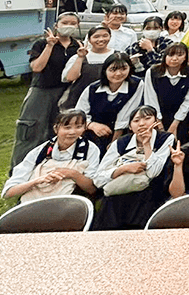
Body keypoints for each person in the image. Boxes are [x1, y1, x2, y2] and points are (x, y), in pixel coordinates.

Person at [11, 12, 81, 170]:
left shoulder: (77, 46)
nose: (68, 26)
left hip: (65, 93)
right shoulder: (42, 43)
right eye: (65, 22)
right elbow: (37, 67)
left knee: (57, 131)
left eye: (73, 23)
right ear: (57, 25)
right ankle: (19, 170)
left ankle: (45, 167)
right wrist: (50, 45)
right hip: (41, 91)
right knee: (31, 131)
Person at [92, 105, 175, 230]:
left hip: (148, 198)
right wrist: (123, 169)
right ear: (130, 126)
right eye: (136, 121)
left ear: (156, 122)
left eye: (147, 118)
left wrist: (147, 145)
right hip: (117, 198)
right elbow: (98, 179)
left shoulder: (165, 139)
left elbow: (153, 173)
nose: (141, 124)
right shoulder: (120, 143)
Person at [3, 109, 100, 201]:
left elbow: (92, 189)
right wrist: (37, 181)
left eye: (78, 127)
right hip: (33, 202)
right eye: (67, 127)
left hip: (70, 203)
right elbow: (8, 192)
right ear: (56, 128)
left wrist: (71, 174)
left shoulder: (90, 150)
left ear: (84, 128)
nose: (72, 132)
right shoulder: (40, 152)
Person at [76, 52, 145, 155]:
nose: (118, 73)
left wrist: (114, 143)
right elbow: (79, 114)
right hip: (93, 132)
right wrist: (92, 125)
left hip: (122, 133)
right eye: (113, 69)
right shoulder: (92, 89)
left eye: (123, 69)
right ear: (105, 71)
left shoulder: (136, 85)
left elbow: (125, 115)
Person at [143, 42, 189, 142]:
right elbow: (150, 98)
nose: (174, 58)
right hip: (157, 115)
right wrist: (159, 124)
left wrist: (174, 125)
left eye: (180, 55)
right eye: (170, 55)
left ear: (186, 57)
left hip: (182, 116)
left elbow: (188, 101)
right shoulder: (153, 72)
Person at [60, 25, 114, 111]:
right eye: (96, 37)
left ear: (110, 37)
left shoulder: (116, 56)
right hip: (78, 101)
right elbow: (70, 78)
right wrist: (80, 57)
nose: (101, 39)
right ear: (89, 39)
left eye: (105, 36)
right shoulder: (78, 57)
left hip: (108, 101)